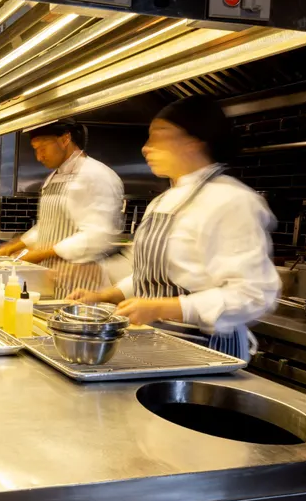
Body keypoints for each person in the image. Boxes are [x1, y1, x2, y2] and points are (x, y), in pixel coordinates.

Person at [69, 96, 279, 360]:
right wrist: (105, 295)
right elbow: (153, 275)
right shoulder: (163, 200)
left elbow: (255, 295)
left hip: (206, 353)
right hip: (155, 345)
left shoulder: (232, 201)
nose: (146, 148)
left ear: (192, 141)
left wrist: (163, 308)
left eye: (158, 137)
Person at [0, 119, 122, 298]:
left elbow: (96, 236)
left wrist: (38, 254)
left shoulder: (96, 175)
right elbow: (48, 226)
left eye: (42, 148)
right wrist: (13, 246)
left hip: (82, 285)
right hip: (51, 279)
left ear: (65, 139)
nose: (39, 157)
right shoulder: (53, 177)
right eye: (35, 149)